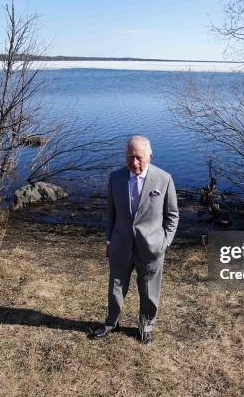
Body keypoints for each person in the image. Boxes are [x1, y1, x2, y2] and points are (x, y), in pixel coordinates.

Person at [91, 135, 179, 345]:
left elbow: (173, 215)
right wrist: (109, 241)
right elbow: (110, 213)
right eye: (130, 157)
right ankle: (112, 322)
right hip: (121, 244)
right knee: (116, 287)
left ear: (150, 155)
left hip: (151, 247)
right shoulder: (116, 178)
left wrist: (164, 242)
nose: (134, 163)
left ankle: (146, 326)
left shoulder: (164, 179)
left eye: (139, 157)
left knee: (149, 290)